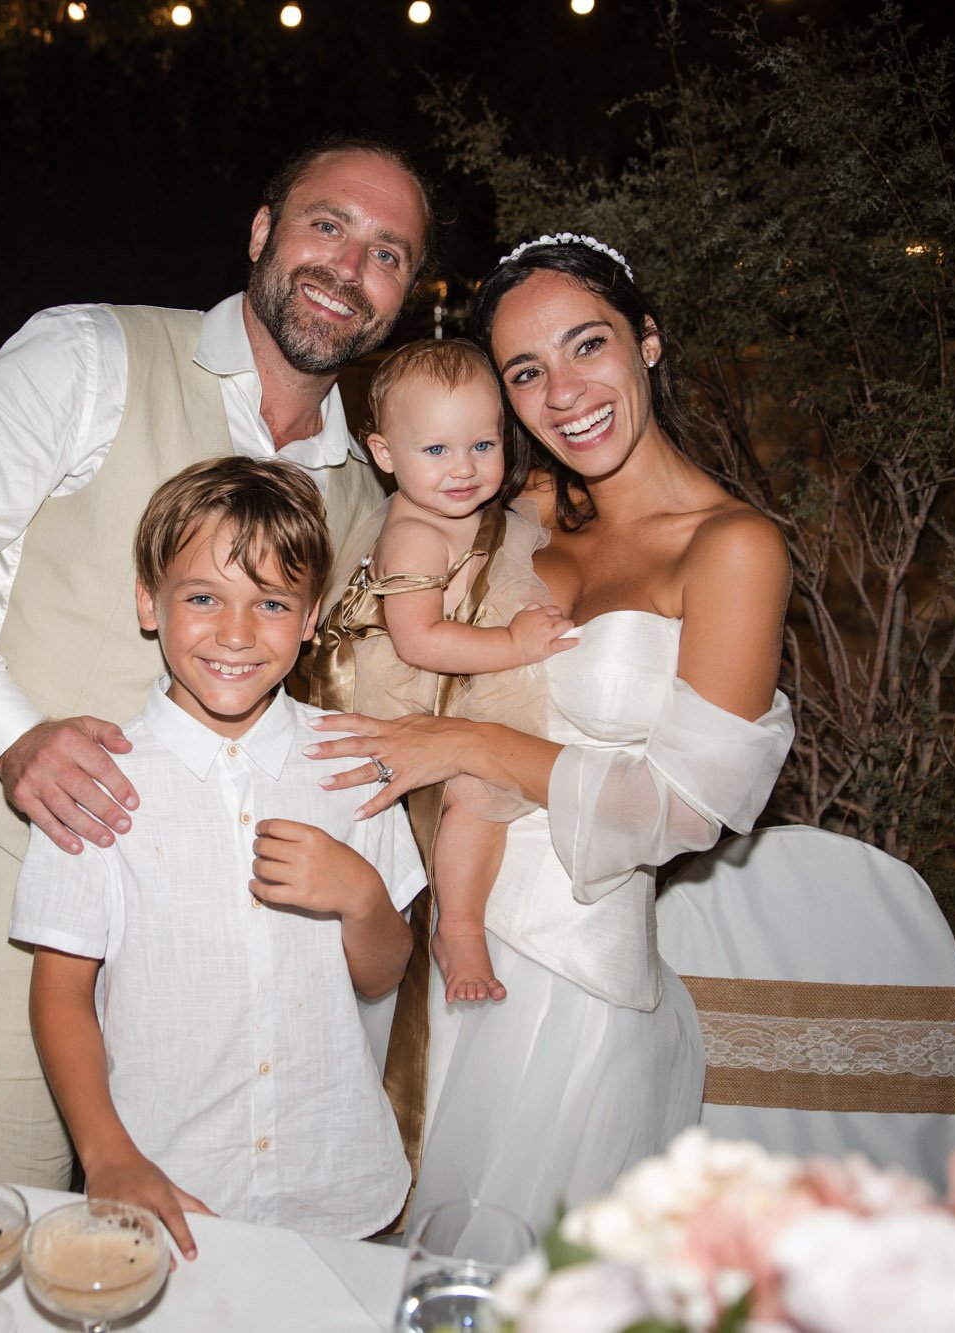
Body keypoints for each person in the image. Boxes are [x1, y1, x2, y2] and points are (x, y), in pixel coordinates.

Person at [0, 138, 435, 1187]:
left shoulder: (364, 496)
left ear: (406, 294)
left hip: (211, 951)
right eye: (325, 224)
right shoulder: (92, 357)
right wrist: (12, 735)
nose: (347, 266)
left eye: (386, 252)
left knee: (182, 1245)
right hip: (15, 889)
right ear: (261, 232)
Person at [309, 233, 796, 1226]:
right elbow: (384, 624)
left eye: (587, 345)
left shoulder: (731, 547)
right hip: (415, 925)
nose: (562, 392)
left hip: (563, 961)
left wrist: (466, 749)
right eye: (526, 371)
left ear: (646, 341)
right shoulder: (512, 505)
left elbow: (689, 806)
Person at [12, 458, 421, 1253]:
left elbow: (384, 973)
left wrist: (362, 896)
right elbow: (61, 996)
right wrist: (108, 1155)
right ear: (147, 602)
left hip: (337, 1186)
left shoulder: (352, 760)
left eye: (270, 602)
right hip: (167, 1189)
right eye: (203, 597)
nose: (236, 633)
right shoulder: (96, 780)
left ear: (310, 619)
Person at [307, 338, 576, 1004]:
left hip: (456, 666)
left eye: (483, 446)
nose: (464, 469)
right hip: (410, 685)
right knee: (477, 794)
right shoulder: (416, 534)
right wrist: (514, 644)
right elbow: (420, 639)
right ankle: (459, 928)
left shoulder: (461, 510)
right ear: (385, 454)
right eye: (436, 451)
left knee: (487, 785)